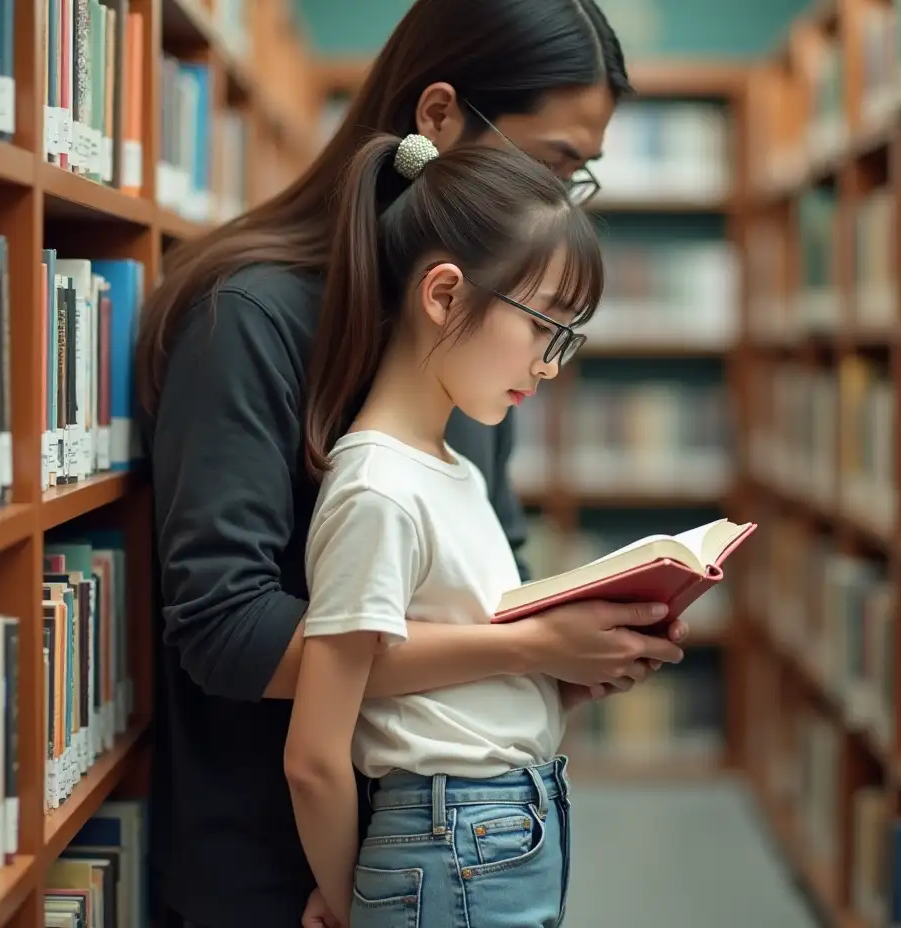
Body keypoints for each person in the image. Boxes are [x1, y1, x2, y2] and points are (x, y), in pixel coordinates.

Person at [138, 2, 689, 926]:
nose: (558, 202)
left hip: (466, 847)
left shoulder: (485, 356)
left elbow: (483, 585)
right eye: (550, 162)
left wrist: (571, 656)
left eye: (575, 177)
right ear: (439, 119)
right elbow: (226, 629)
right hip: (290, 862)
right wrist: (524, 648)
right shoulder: (251, 316)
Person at [286, 130, 608, 928]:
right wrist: (347, 897)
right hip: (447, 843)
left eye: (566, 338)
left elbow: (450, 708)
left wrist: (569, 678)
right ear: (443, 295)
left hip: (506, 825)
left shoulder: (454, 472)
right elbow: (315, 756)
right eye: (543, 327)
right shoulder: (380, 487)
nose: (548, 365)